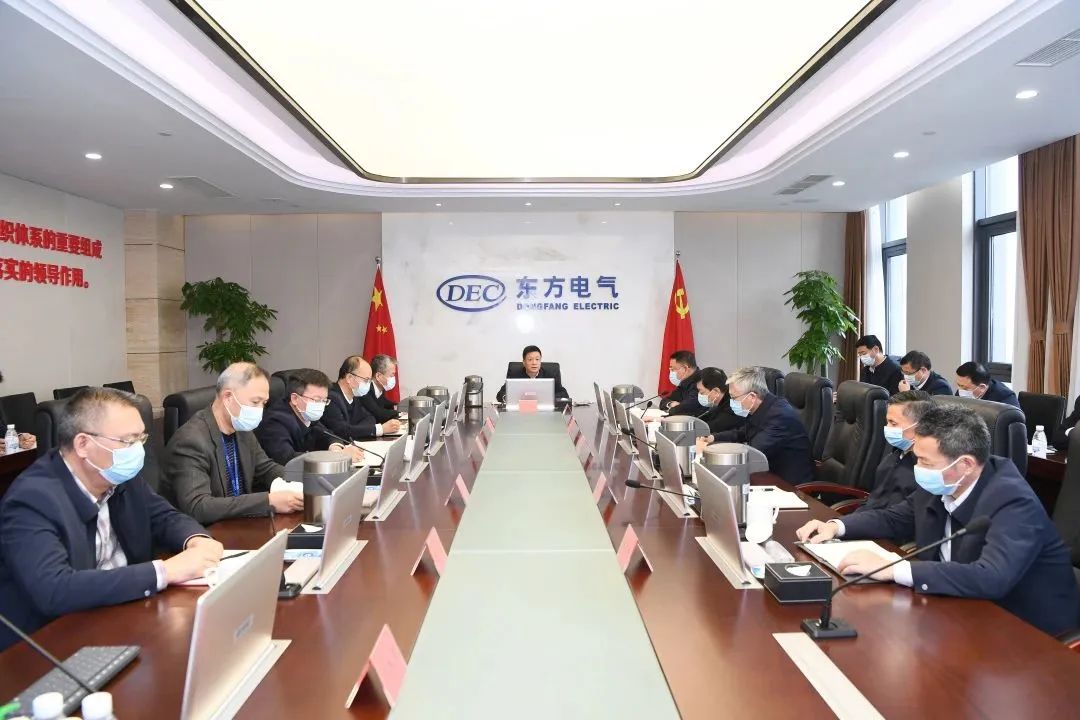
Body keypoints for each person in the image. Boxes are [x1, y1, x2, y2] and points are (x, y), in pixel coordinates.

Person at [796, 404, 1080, 636]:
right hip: (957, 611)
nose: (918, 469)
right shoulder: (943, 482)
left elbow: (992, 577)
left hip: (1026, 632)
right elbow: (895, 518)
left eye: (925, 462)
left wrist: (895, 569)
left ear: (965, 464)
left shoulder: (1013, 501)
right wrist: (836, 526)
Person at [0, 387, 224, 650]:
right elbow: (54, 589)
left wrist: (196, 540)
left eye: (141, 438)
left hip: (120, 615)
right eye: (128, 441)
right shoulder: (31, 500)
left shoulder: (118, 476)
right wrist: (166, 571)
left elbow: (164, 516)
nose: (138, 450)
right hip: (49, 644)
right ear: (83, 444)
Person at [161, 362, 303, 525]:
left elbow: (266, 468)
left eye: (263, 403)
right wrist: (268, 501)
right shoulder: (190, 441)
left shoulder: (241, 428)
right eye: (255, 402)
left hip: (240, 523)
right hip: (206, 531)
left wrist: (305, 483)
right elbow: (198, 507)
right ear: (228, 397)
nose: (260, 410)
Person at [699, 366, 814, 485]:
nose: (731, 402)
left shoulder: (779, 416)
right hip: (768, 474)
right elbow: (742, 432)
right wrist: (713, 438)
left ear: (752, 397)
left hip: (790, 485)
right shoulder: (760, 407)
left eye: (733, 398)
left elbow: (753, 453)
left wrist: (713, 454)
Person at [255, 369, 364, 466]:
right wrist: (334, 456)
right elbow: (287, 458)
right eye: (316, 400)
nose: (321, 405)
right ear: (295, 399)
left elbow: (328, 434)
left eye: (324, 400)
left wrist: (335, 448)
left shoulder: (306, 415)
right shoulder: (275, 422)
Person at [857, 390, 931, 514]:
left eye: (893, 423)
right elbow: (873, 501)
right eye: (887, 422)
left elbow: (899, 517)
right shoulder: (895, 454)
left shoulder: (926, 471)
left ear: (920, 427)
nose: (887, 428)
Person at [326, 355, 401, 441]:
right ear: (349, 378)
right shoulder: (330, 398)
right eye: (366, 380)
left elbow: (370, 418)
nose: (369, 385)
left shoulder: (355, 396)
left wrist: (354, 430)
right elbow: (342, 431)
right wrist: (379, 429)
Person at [496, 345, 569, 402]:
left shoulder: (550, 374)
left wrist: (545, 398)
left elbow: (564, 394)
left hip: (544, 411)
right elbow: (500, 394)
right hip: (521, 410)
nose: (534, 363)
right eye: (530, 359)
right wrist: (512, 398)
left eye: (537, 359)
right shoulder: (514, 375)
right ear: (524, 362)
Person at [694, 367, 745, 436]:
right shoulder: (721, 403)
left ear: (716, 391)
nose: (699, 395)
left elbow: (711, 427)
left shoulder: (733, 408)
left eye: (701, 392)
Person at [952, 361, 1020, 408]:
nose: (960, 390)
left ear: (982, 387)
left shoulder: (1005, 397)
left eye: (965, 388)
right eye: (959, 385)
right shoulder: (962, 390)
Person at [360, 354, 401, 424]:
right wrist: (401, 413)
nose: (393, 378)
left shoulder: (380, 388)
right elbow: (379, 414)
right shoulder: (365, 391)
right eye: (392, 375)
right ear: (378, 376)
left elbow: (384, 402)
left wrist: (401, 405)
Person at [661, 350, 704, 415]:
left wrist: (677, 408)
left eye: (673, 369)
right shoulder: (685, 382)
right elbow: (663, 402)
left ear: (685, 369)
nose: (671, 372)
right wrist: (671, 404)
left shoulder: (701, 382)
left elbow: (687, 408)